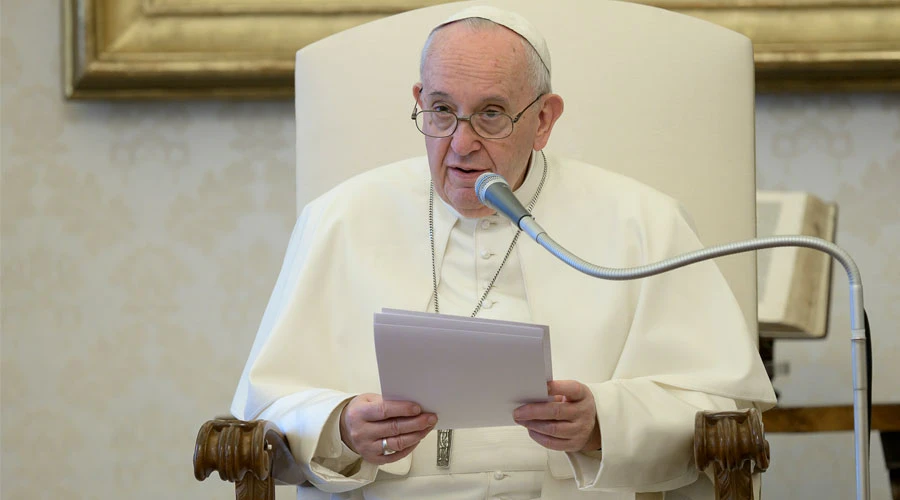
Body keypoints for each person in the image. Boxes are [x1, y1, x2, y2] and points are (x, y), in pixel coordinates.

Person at [231, 6, 776, 499]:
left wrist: (603, 422)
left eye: (491, 113)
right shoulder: (339, 220)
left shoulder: (643, 220)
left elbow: (722, 409)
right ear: (420, 102)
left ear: (543, 120)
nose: (462, 143)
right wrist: (341, 426)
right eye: (442, 110)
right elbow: (267, 410)